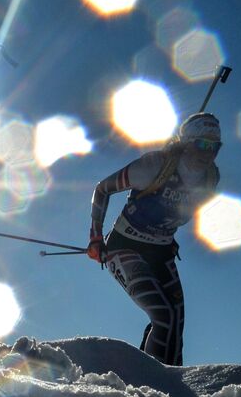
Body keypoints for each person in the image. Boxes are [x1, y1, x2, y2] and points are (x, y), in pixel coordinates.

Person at [87, 112, 222, 365]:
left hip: (161, 253)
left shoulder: (210, 179)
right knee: (164, 315)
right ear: (186, 143)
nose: (208, 153)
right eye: (202, 144)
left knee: (176, 322)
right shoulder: (154, 166)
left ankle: (158, 382)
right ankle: (158, 386)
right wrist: (95, 238)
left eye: (215, 147)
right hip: (125, 245)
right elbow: (103, 189)